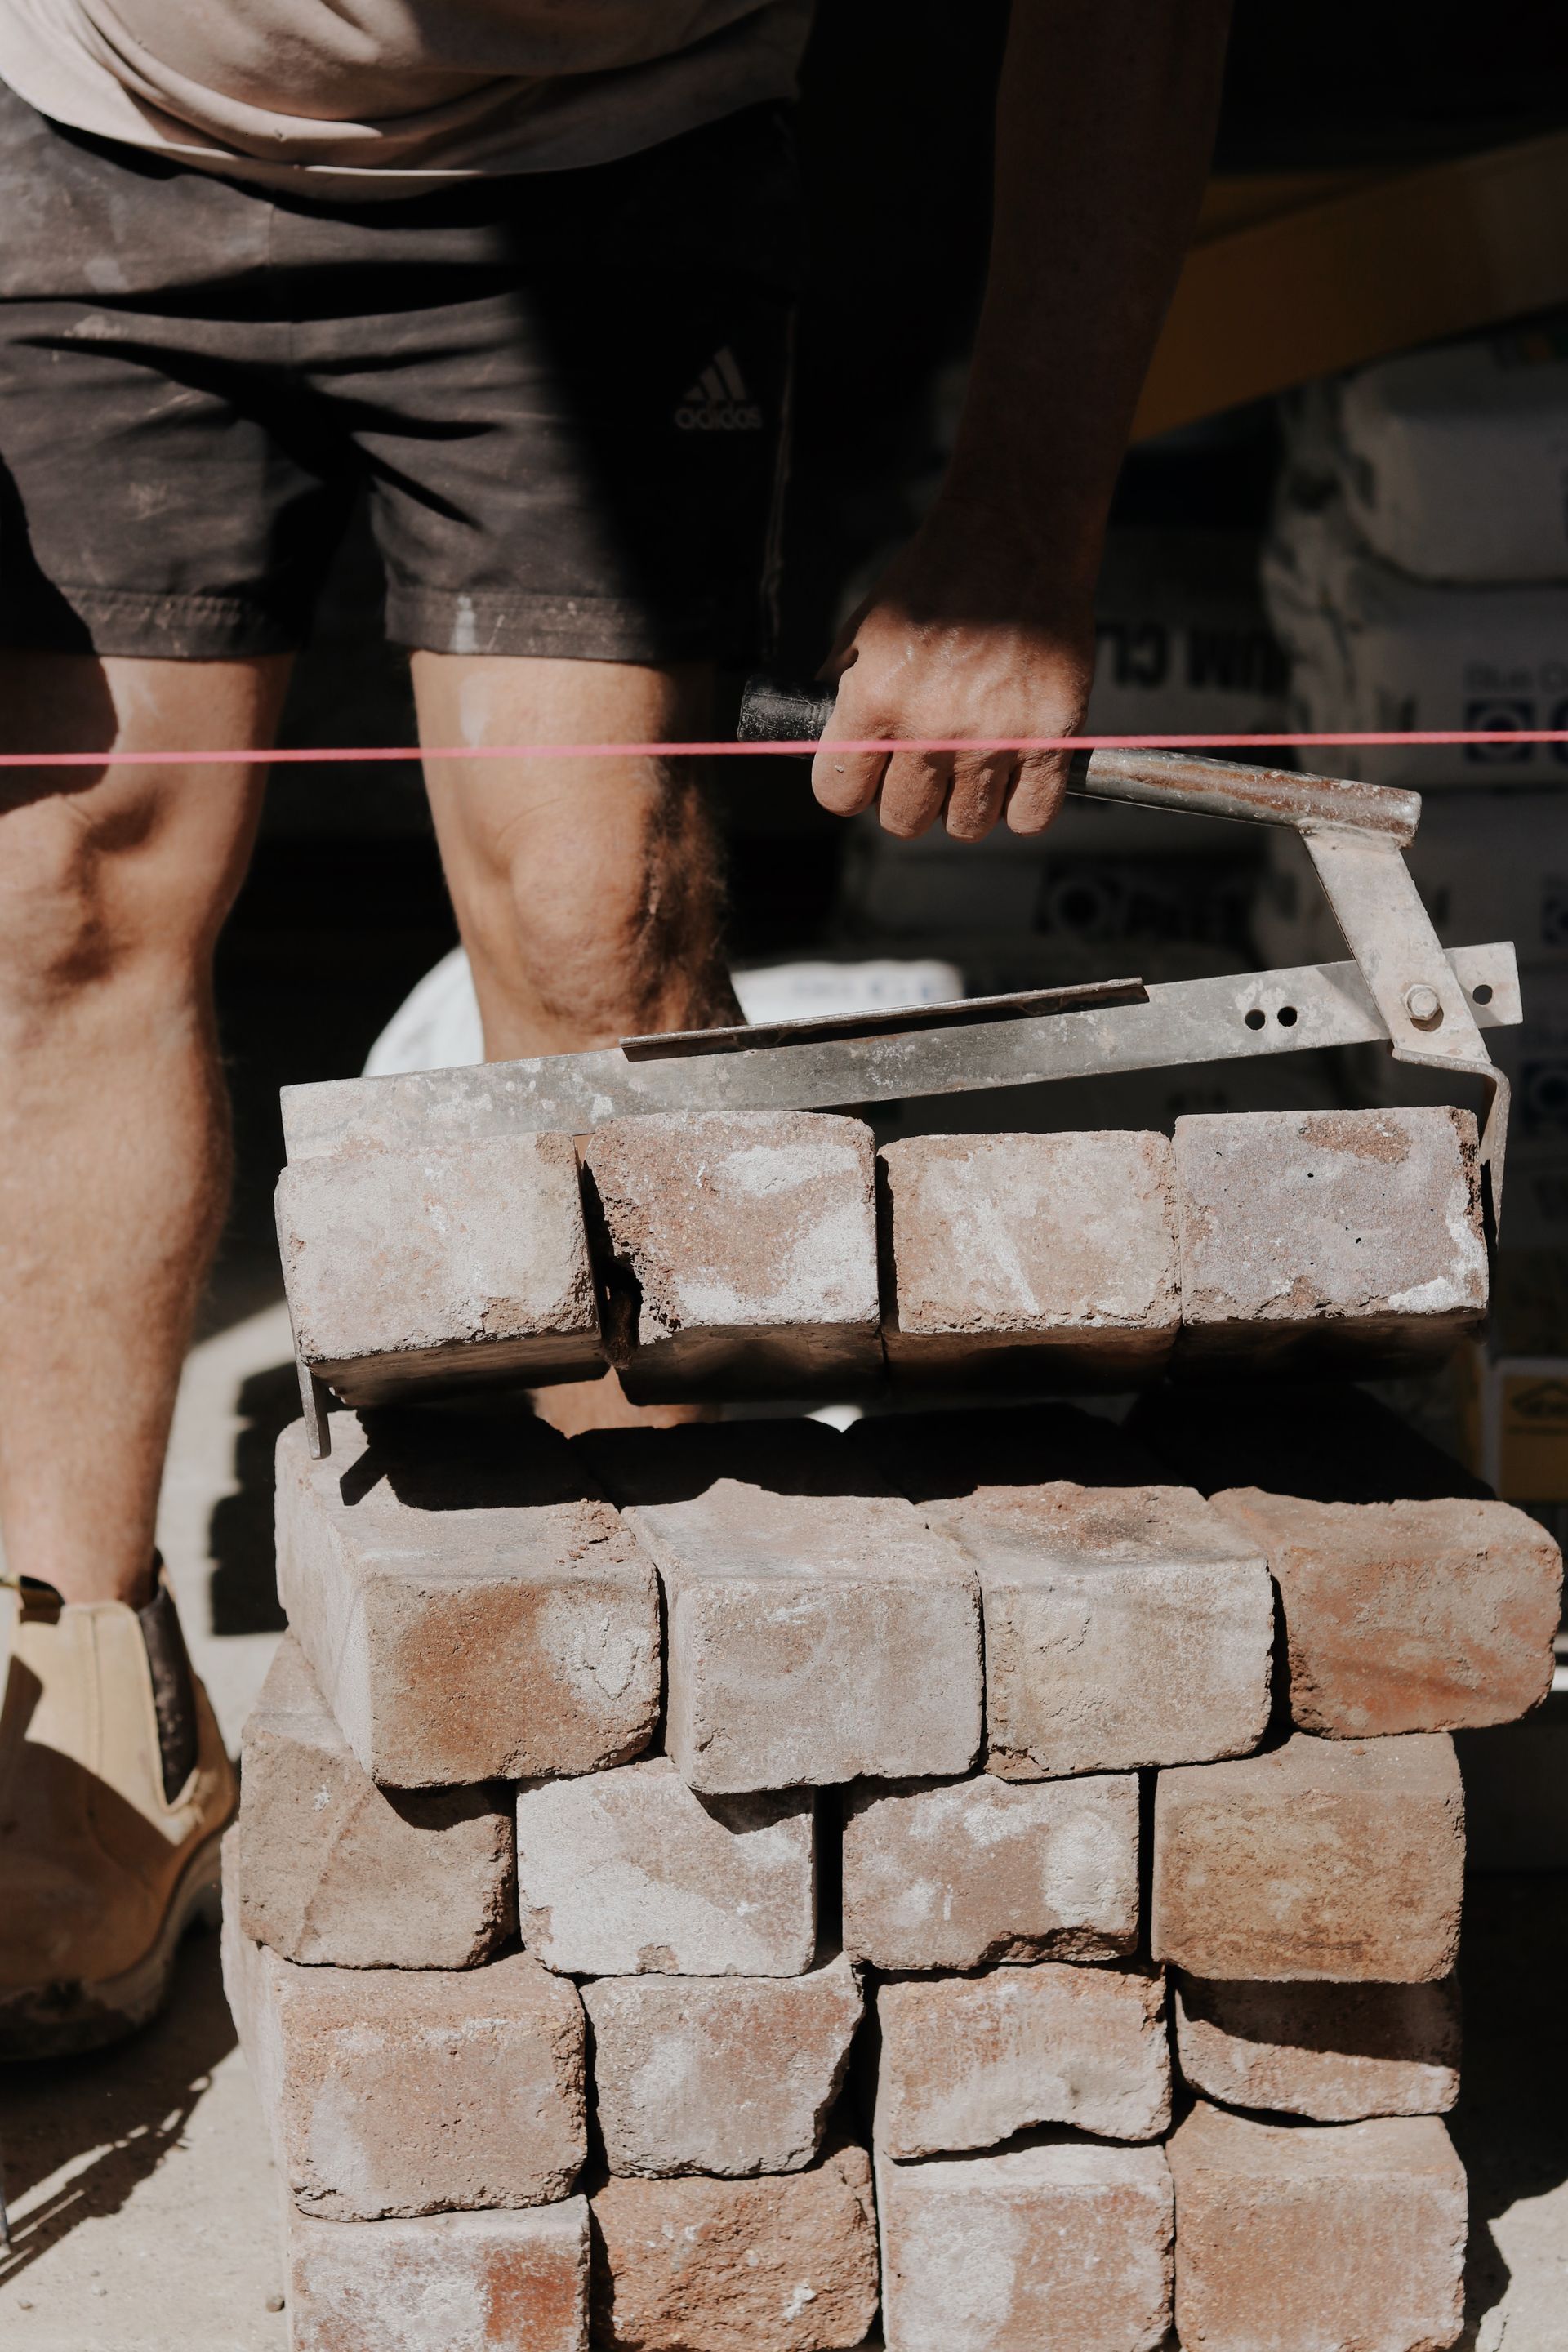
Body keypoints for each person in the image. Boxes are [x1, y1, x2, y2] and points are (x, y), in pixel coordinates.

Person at [0, 0, 1233, 2052]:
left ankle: (654, 1677)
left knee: (598, 906)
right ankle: (82, 1653)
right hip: (107, 122)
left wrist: (1024, 527)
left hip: (611, 151)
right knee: (63, 890)